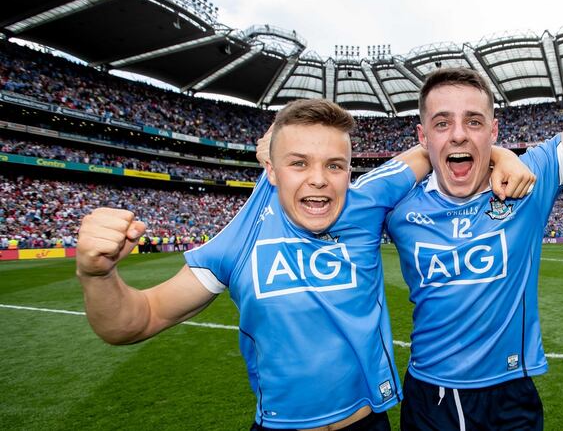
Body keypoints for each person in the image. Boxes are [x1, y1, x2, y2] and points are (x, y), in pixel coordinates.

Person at [79, 99, 533, 430]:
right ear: (271, 169)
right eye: (299, 163)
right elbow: (134, 321)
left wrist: (501, 154)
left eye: (335, 165)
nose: (319, 178)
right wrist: (97, 275)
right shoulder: (240, 237)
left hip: (368, 425)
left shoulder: (367, 201)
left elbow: (438, 149)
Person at [386, 0, 563, 429]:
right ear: (422, 136)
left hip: (510, 395)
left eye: (473, 121)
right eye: (442, 123)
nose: (458, 134)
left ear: (493, 130)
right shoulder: (395, 204)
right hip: (428, 398)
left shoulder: (527, 182)